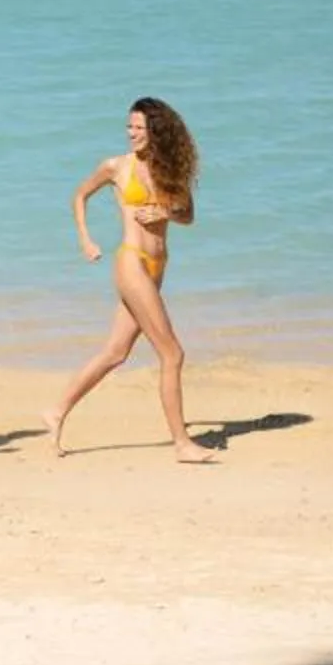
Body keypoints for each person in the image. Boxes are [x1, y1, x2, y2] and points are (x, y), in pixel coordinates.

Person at [45, 97, 212, 464]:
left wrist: (165, 209)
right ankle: (182, 443)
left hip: (157, 265)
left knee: (116, 353)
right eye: (130, 127)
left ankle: (56, 412)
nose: (132, 133)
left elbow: (188, 217)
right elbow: (79, 195)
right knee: (173, 353)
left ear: (157, 131)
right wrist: (85, 239)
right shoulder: (116, 167)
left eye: (140, 128)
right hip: (131, 263)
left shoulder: (169, 170)